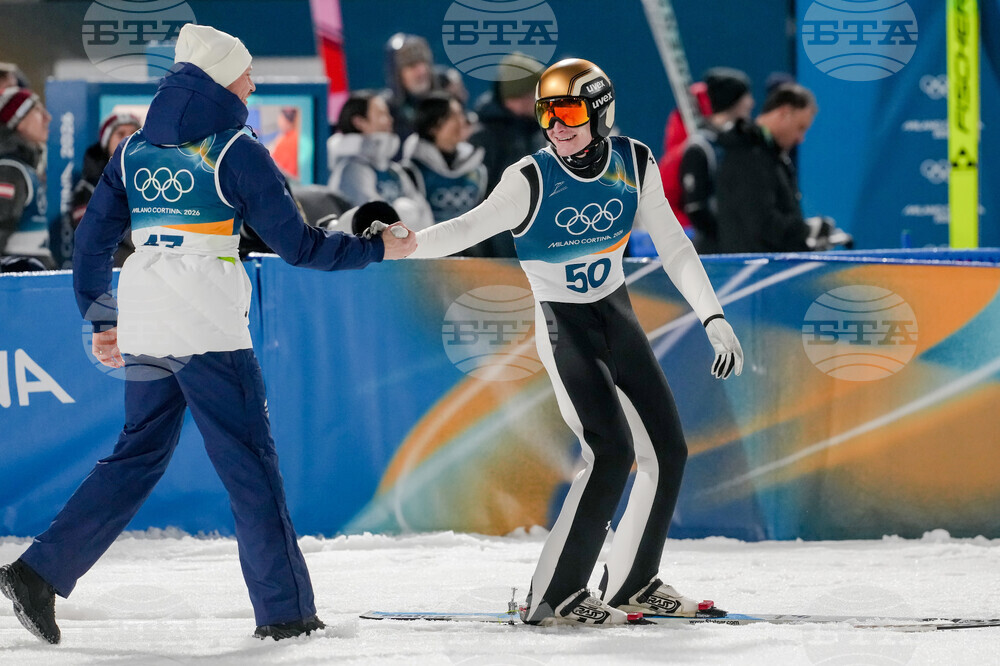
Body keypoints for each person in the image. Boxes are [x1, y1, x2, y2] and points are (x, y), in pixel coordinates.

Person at [0, 23, 415, 645]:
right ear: (223, 79)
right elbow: (299, 246)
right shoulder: (236, 150)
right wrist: (378, 249)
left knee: (138, 453)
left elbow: (91, 241)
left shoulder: (134, 148)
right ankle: (286, 612)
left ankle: (39, 571)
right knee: (250, 466)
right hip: (206, 321)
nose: (253, 83)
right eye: (247, 73)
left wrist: (102, 316)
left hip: (146, 311)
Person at [405, 58, 743, 625]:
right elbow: (466, 229)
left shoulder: (633, 161)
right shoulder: (529, 178)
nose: (556, 127)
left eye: (568, 112)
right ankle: (552, 595)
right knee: (610, 452)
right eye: (547, 114)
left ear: (600, 114)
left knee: (668, 451)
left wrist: (714, 317)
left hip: (616, 316)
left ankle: (633, 583)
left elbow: (674, 247)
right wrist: (400, 244)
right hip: (565, 324)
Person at [713, 83, 833, 253]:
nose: (800, 138)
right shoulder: (748, 151)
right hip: (753, 273)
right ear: (784, 113)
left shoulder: (768, 153)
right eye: (800, 128)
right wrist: (808, 230)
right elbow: (762, 224)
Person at [468, 52, 547, 257]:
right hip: (500, 249)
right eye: (536, 93)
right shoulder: (485, 137)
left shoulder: (537, 130)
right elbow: (478, 200)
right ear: (517, 96)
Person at [327, 89, 433, 231]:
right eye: (382, 114)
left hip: (401, 249)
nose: (390, 120)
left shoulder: (393, 170)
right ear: (359, 122)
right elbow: (371, 223)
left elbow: (423, 217)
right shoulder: (352, 170)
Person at [679, 68, 754, 254]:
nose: (751, 103)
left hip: (743, 248)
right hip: (714, 252)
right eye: (746, 96)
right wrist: (729, 237)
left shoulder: (744, 144)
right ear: (733, 100)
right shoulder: (701, 147)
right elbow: (697, 208)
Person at [402, 93, 486, 230]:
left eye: (461, 114)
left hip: (469, 248)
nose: (462, 121)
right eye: (453, 116)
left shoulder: (477, 169)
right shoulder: (412, 172)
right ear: (432, 127)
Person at [68, 111, 142, 266]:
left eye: (135, 134)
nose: (128, 139)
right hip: (110, 274)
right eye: (120, 134)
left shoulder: (156, 181)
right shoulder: (87, 189)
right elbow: (92, 235)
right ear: (106, 143)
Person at [0, 86, 54, 270]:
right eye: (38, 110)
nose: (48, 117)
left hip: (27, 278)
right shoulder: (9, 169)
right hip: (19, 283)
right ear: (19, 120)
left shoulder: (23, 167)